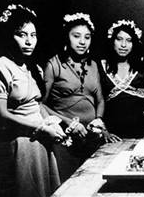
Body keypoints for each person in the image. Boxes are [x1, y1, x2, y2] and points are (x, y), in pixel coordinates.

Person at [0, 4, 66, 197]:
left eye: (33, 35)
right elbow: (1, 114)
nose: (29, 41)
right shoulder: (1, 66)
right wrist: (39, 128)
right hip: (21, 141)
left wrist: (54, 123)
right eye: (22, 35)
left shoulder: (33, 67)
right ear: (8, 35)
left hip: (40, 140)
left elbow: (37, 106)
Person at [42, 12, 119, 182]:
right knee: (69, 185)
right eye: (76, 36)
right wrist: (67, 122)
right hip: (65, 139)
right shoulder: (53, 64)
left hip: (92, 138)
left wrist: (99, 121)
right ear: (66, 37)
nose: (82, 42)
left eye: (87, 37)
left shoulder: (92, 64)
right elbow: (41, 105)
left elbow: (100, 99)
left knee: (93, 184)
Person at [99, 19, 144, 138]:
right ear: (112, 41)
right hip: (113, 135)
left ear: (134, 43)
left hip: (142, 133)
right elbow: (97, 101)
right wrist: (103, 131)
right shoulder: (101, 67)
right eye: (119, 39)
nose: (123, 45)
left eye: (129, 40)